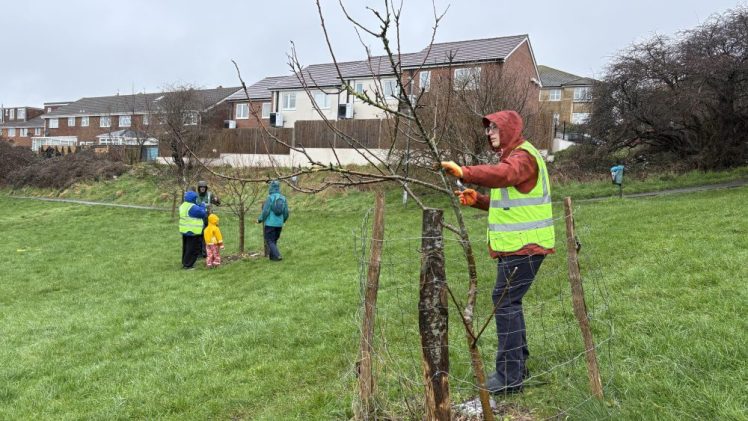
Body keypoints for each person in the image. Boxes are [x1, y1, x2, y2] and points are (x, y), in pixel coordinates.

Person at [440, 110, 555, 394]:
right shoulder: (515, 156)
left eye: (494, 127)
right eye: (487, 128)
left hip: (525, 247)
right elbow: (509, 203)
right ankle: (517, 366)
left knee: (505, 303)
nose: (488, 132)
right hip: (518, 247)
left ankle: (509, 377)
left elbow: (506, 175)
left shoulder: (522, 157)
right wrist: (478, 200)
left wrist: (466, 172)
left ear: (509, 129)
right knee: (509, 303)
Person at [257, 180, 289, 261]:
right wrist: (283, 220)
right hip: (279, 224)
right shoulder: (283, 198)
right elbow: (286, 212)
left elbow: (265, 211)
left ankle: (278, 255)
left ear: (271, 188)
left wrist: (260, 219)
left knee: (269, 240)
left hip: (270, 224)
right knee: (274, 240)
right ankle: (272, 258)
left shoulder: (270, 198)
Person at [179, 190, 208, 270]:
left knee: (186, 248)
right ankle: (189, 265)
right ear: (193, 198)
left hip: (185, 231)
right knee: (193, 248)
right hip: (193, 231)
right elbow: (202, 213)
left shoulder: (183, 205)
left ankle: (185, 262)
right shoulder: (193, 207)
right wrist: (202, 205)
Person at [196, 180, 221, 257]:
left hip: (209, 218)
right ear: (199, 188)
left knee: (209, 235)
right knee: (199, 235)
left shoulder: (210, 195)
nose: (202, 189)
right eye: (201, 187)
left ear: (206, 188)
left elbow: (218, 203)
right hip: (200, 218)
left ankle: (208, 252)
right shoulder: (196, 196)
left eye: (204, 187)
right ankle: (200, 253)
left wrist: (217, 200)